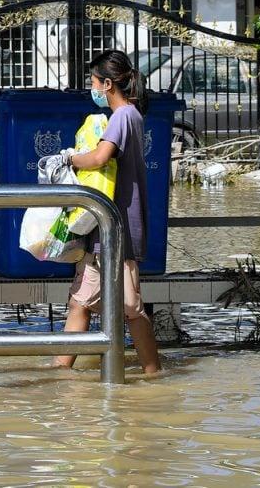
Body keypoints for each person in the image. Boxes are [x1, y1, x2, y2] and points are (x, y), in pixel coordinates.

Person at [55, 49, 162, 374]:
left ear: (107, 84)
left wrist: (68, 159)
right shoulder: (130, 116)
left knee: (95, 304)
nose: (91, 87)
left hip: (112, 229)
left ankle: (59, 375)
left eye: (93, 81)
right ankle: (153, 373)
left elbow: (100, 158)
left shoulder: (122, 117)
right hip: (117, 228)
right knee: (118, 306)